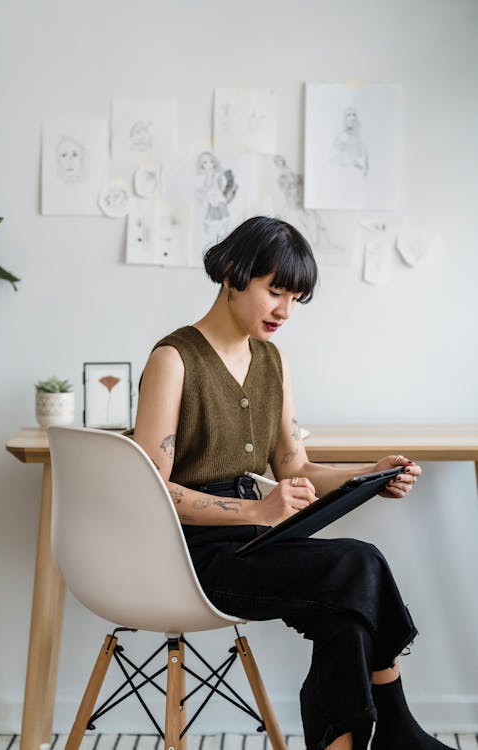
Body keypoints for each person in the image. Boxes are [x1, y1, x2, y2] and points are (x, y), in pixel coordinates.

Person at [134, 216, 452, 750]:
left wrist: (369, 475)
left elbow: (296, 469)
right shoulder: (174, 359)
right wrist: (257, 512)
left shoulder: (272, 361)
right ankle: (397, 726)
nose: (284, 310)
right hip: (192, 557)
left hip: (259, 546)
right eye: (274, 290)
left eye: (295, 297)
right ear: (234, 274)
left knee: (346, 613)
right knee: (359, 563)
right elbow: (150, 489)